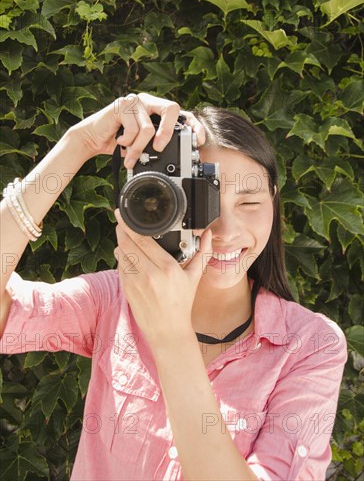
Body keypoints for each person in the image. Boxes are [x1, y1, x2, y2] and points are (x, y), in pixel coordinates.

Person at [0, 93, 347, 481]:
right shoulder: (114, 300)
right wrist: (77, 144)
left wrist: (171, 337)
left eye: (249, 204)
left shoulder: (309, 346)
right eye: (205, 203)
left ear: (274, 203)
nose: (226, 233)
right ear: (167, 203)